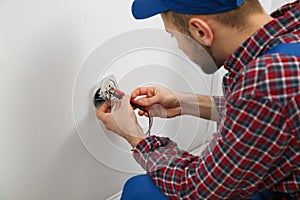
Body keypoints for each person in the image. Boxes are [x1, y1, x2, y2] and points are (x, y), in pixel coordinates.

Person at [97, 0, 300, 199]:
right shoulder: (291, 25)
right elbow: (267, 116)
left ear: (201, 32)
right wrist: (186, 103)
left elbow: (197, 188)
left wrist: (134, 135)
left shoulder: (267, 80)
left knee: (140, 192)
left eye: (174, 36)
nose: (179, 46)